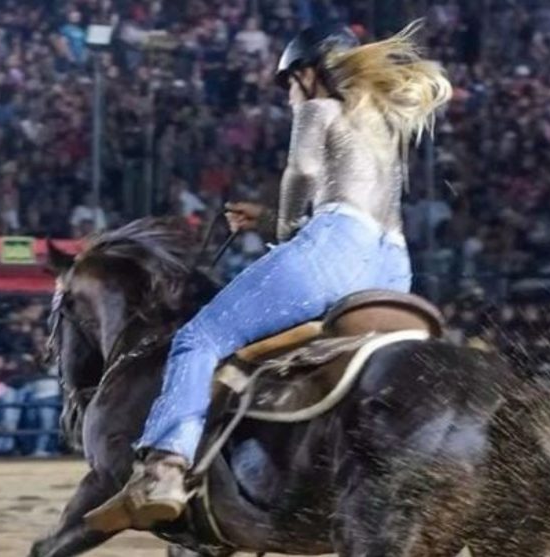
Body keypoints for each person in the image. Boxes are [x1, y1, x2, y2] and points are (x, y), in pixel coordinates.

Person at [86, 21, 452, 530]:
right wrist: (265, 218)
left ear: (308, 73)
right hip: (393, 269)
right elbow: (348, 196)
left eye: (288, 83)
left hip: (333, 250)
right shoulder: (382, 127)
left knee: (199, 338)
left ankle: (165, 469)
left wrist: (281, 229)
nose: (288, 95)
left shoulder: (317, 107)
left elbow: (300, 174)